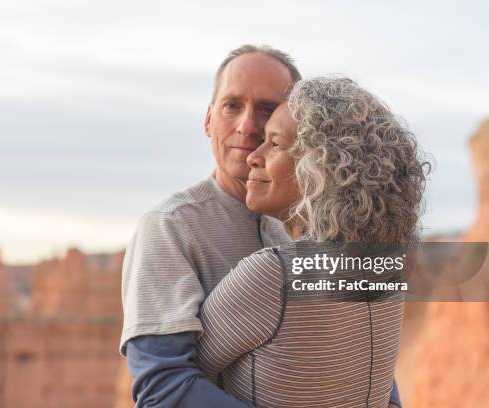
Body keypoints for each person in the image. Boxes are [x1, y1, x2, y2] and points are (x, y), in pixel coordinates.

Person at [120, 45, 403, 407]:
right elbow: (163, 387)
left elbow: (360, 355)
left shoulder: (290, 231)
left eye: (267, 110)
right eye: (232, 105)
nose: (248, 126)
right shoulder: (170, 228)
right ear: (208, 119)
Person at [196, 76, 430, 407]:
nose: (254, 156)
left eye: (274, 144)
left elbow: (180, 377)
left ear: (321, 168)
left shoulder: (273, 275)